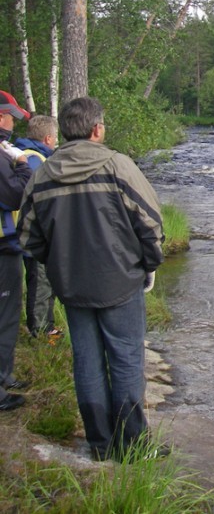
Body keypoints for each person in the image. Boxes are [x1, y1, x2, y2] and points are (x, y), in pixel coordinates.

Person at [18, 97, 166, 460]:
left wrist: (58, 266)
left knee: (87, 362)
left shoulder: (42, 174)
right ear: (97, 129)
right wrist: (149, 265)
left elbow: (29, 237)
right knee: (126, 360)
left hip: (72, 285)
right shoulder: (118, 165)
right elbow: (150, 223)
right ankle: (133, 447)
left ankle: (100, 445)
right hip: (121, 282)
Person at [0, 90, 32, 412]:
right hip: (1, 249)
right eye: (11, 118)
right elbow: (17, 195)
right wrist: (22, 165)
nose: (14, 124)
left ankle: (5, 375)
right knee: (4, 316)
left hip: (5, 246)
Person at [15, 115, 59, 338]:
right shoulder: (35, 160)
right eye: (55, 137)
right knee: (41, 282)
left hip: (24, 230)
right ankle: (40, 332)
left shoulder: (23, 153)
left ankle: (45, 327)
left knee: (43, 281)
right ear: (48, 138)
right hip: (33, 232)